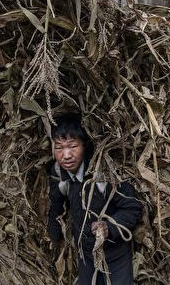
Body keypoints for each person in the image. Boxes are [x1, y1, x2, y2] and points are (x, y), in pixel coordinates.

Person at [47, 113, 142, 284]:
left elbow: (132, 208)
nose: (66, 155)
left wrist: (108, 227)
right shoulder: (57, 173)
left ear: (84, 145)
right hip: (85, 253)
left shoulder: (103, 172)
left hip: (115, 254)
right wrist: (54, 234)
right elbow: (56, 204)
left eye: (72, 146)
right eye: (59, 147)